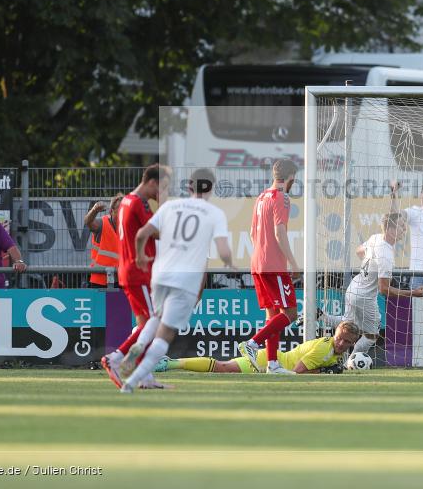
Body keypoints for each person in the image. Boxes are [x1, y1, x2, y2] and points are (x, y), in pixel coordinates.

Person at [118, 168, 233, 393]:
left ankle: (138, 345)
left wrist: (140, 255)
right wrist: (229, 261)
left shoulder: (170, 207)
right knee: (165, 334)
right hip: (185, 279)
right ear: (211, 189)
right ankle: (131, 383)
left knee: (154, 318)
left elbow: (142, 234)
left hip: (160, 274)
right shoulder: (214, 213)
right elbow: (223, 251)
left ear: (189, 186)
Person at [101, 164, 170, 388]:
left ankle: (145, 376)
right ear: (152, 182)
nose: (160, 191)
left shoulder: (126, 202)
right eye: (162, 186)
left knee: (144, 324)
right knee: (154, 321)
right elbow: (157, 232)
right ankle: (115, 358)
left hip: (129, 270)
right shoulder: (139, 203)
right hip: (139, 271)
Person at [324, 213, 423, 357]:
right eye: (401, 226)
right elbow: (384, 289)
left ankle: (322, 316)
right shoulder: (386, 256)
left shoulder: (375, 237)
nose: (404, 229)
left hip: (353, 287)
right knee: (372, 335)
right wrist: (413, 293)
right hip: (365, 297)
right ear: (390, 230)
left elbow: (359, 251)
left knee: (348, 324)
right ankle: (351, 361)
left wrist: (370, 263)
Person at [238, 158, 301, 374]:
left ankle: (272, 364)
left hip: (258, 263)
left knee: (273, 316)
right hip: (273, 265)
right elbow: (279, 232)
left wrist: (262, 253)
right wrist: (293, 262)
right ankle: (253, 344)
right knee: (291, 313)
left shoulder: (262, 197)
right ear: (291, 177)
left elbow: (252, 233)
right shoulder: (282, 197)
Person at [158, 320, 362, 375]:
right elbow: (298, 372)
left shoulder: (335, 352)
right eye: (339, 338)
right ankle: (169, 364)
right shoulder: (324, 349)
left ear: (353, 343)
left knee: (222, 366)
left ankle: (169, 363)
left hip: (273, 360)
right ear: (334, 334)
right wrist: (323, 372)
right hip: (268, 362)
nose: (341, 343)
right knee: (222, 367)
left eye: (347, 342)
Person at [84, 193, 124, 287]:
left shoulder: (127, 227)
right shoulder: (102, 223)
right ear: (111, 211)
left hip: (120, 279)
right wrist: (94, 210)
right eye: (119, 208)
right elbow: (88, 222)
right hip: (99, 279)